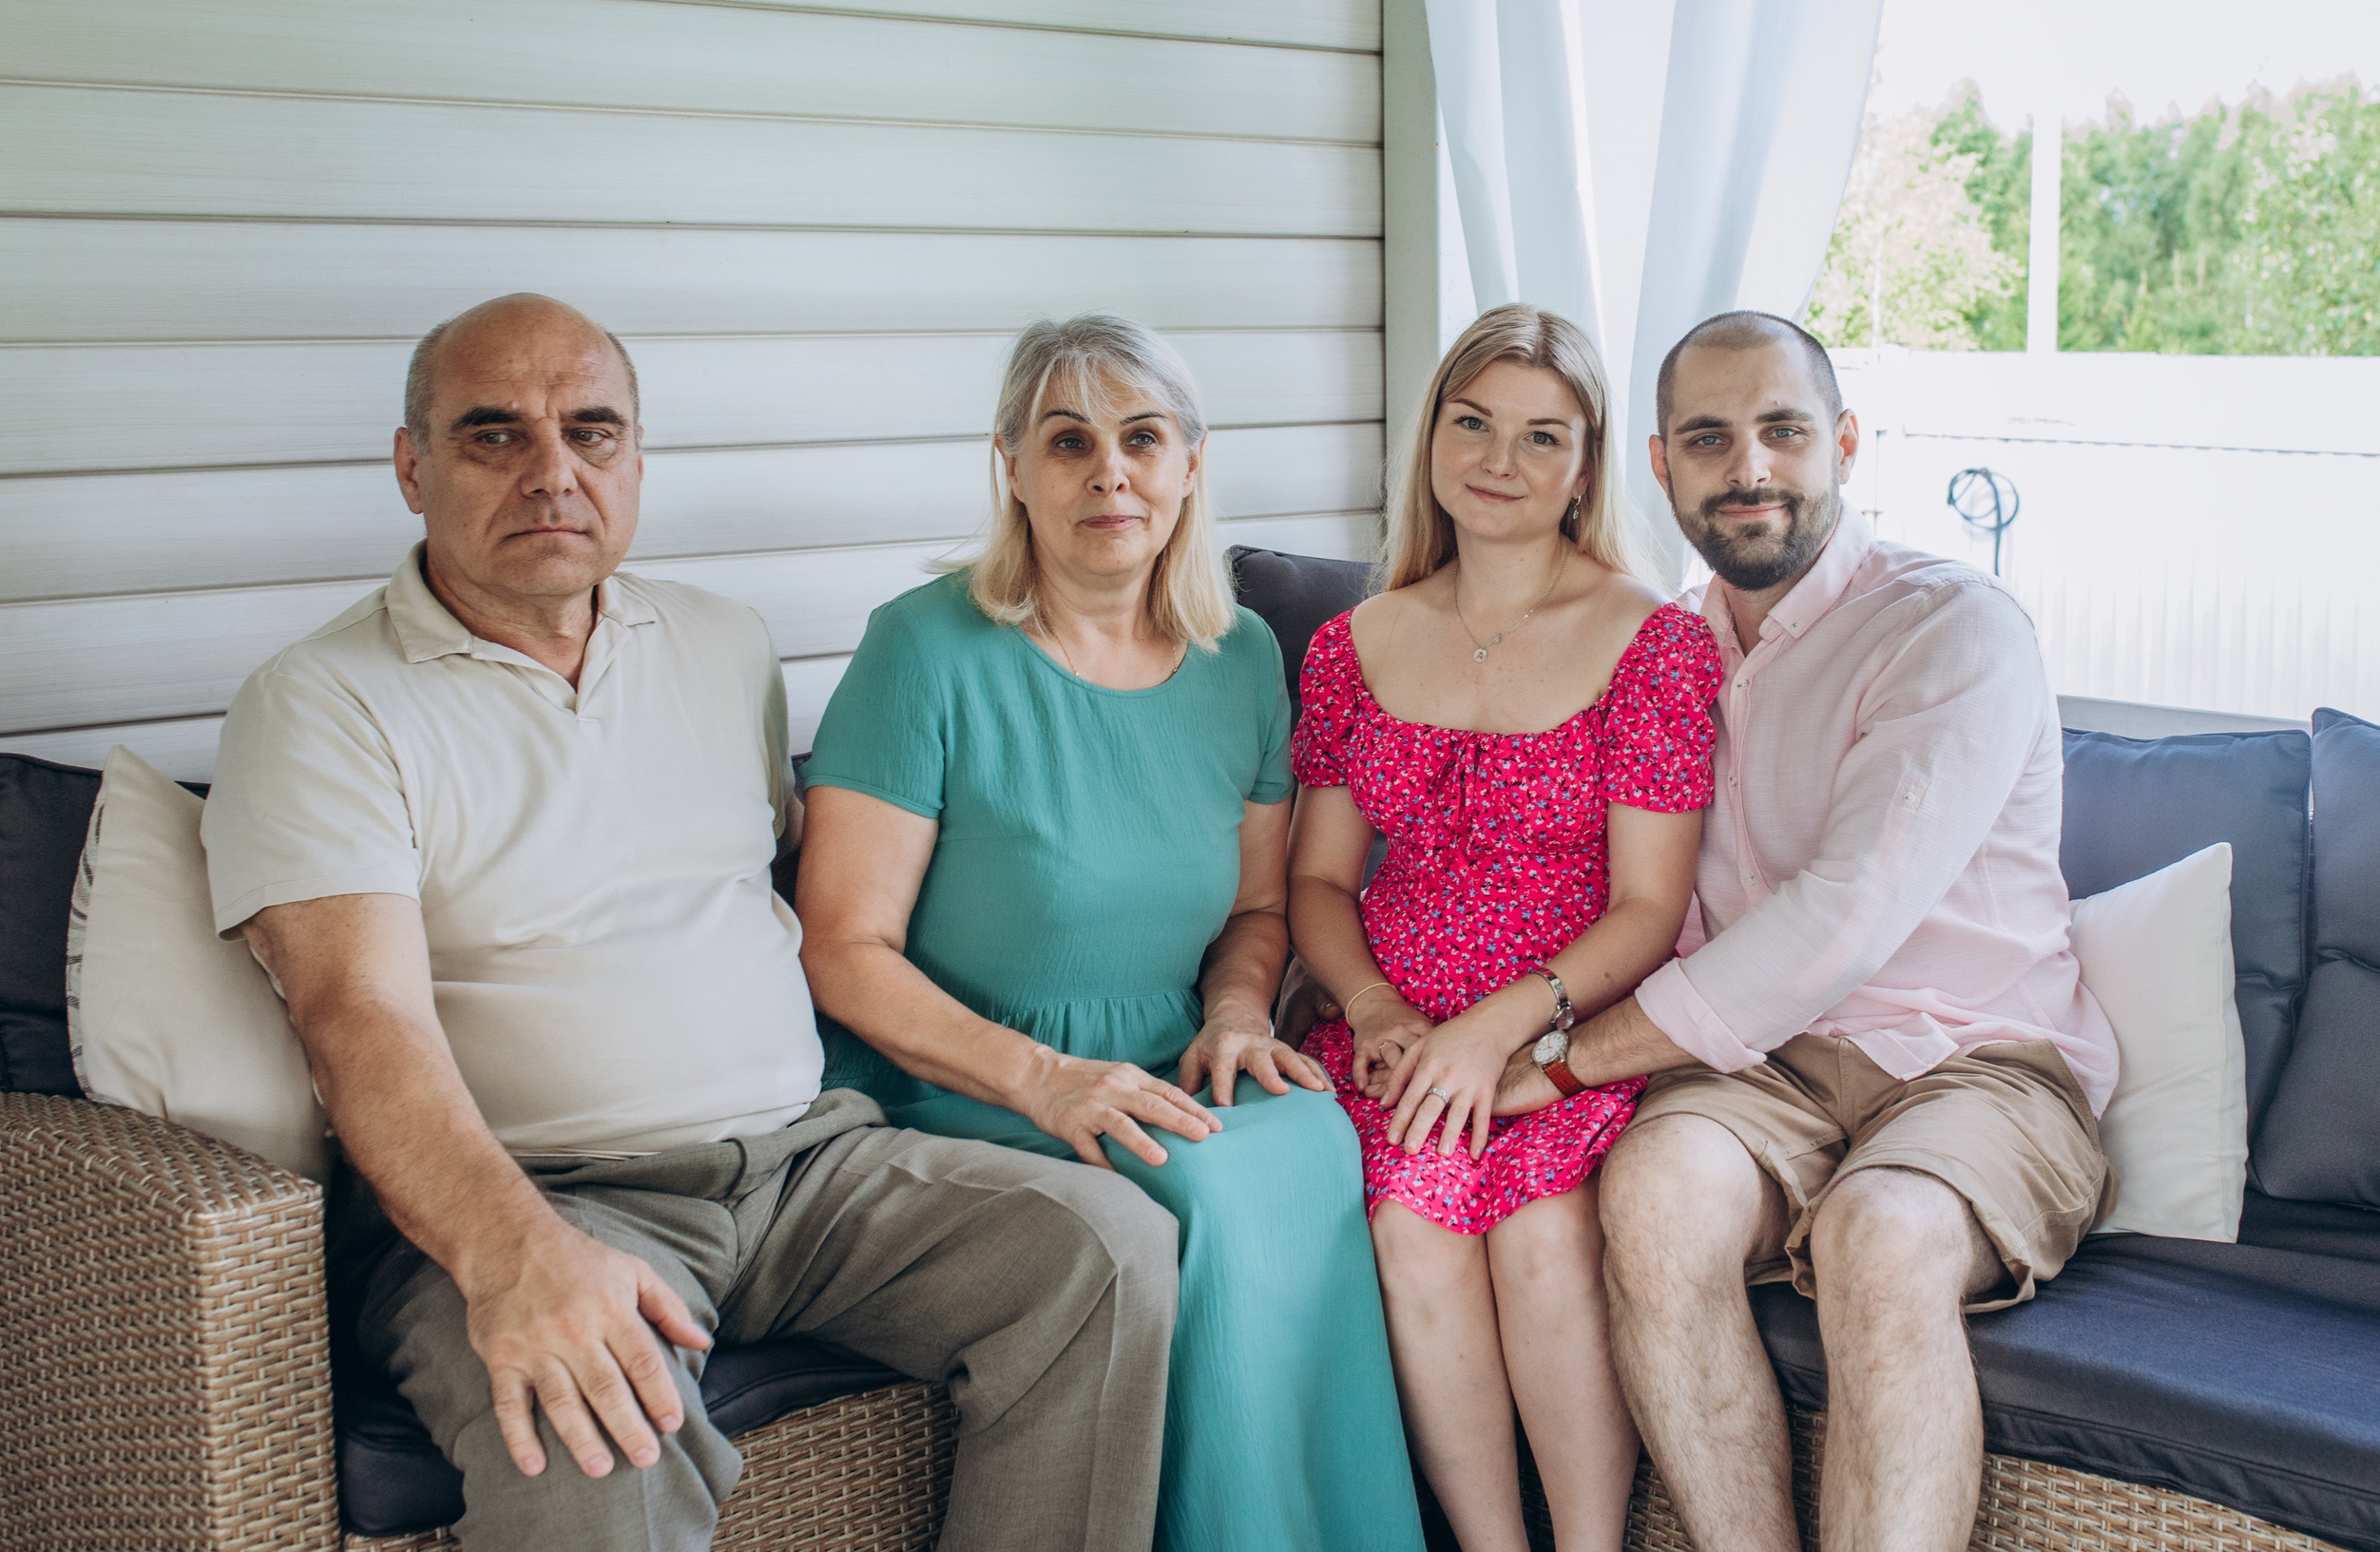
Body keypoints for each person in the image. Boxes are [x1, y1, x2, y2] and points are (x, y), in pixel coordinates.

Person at [200, 294, 1180, 1552]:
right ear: (412, 466)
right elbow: (356, 1018)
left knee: (1104, 1255)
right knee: (593, 1430)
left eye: (592, 434)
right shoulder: (321, 703)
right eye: (495, 436)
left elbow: (773, 883)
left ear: (637, 463)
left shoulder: (723, 646)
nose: (553, 472)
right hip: (546, 1194)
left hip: (804, 1165)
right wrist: (515, 1261)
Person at [1479, 310, 2120, 1552]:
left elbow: (1845, 919)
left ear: (1844, 444)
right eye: (1710, 440)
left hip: (1975, 1063)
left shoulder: (1950, 628)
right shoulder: (1663, 646)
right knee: (1654, 1197)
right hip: (1763, 1075)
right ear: (1661, 465)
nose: (1750, 469)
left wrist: (1559, 1060)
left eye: (1781, 432)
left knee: (1882, 1237)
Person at [793, 313, 1424, 1552]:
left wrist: (1241, 1011)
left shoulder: (1241, 656)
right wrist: (1044, 1078)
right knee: (1199, 1184)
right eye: (1068, 441)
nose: (1110, 472)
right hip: (968, 1072)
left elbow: (1256, 909)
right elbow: (842, 948)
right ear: (1012, 467)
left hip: (1173, 1048)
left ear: (1190, 461)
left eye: (1142, 438)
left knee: (1315, 1139)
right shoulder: (923, 647)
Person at [1284, 303, 1720, 1552]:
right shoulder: (1349, 644)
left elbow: (1652, 906)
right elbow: (1319, 880)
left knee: (1540, 1242)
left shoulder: (1656, 644)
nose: (1499, 460)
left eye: (1543, 437)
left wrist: (1501, 1030)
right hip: (1396, 1029)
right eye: (1472, 423)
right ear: (1433, 435)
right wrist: (1372, 1008)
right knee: (1412, 1232)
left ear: (1587, 465)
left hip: (1562, 1023)